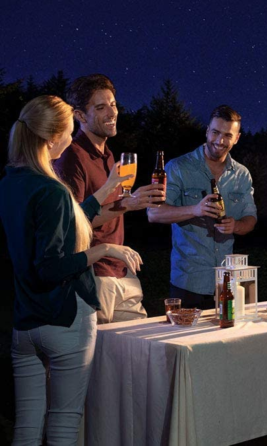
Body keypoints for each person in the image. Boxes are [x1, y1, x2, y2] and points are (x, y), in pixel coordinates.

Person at [0, 96, 142, 445]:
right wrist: (104, 250)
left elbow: (65, 220)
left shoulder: (11, 183)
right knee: (64, 424)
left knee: (27, 427)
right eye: (67, 131)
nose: (71, 137)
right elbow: (51, 267)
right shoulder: (51, 189)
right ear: (51, 139)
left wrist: (107, 189)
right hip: (64, 318)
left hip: (24, 322)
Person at [54, 74, 165, 323]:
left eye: (113, 105)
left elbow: (112, 207)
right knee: (96, 356)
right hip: (93, 274)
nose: (112, 112)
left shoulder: (110, 155)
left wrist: (132, 202)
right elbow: (74, 223)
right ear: (80, 116)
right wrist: (127, 204)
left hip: (122, 268)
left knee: (138, 347)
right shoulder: (72, 156)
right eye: (101, 107)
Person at [147, 105, 257, 309]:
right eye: (215, 132)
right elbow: (154, 214)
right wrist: (195, 210)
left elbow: (250, 220)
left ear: (237, 138)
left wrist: (236, 226)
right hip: (188, 281)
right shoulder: (178, 167)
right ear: (207, 131)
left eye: (227, 135)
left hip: (227, 283)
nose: (220, 141)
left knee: (227, 339)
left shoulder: (242, 175)